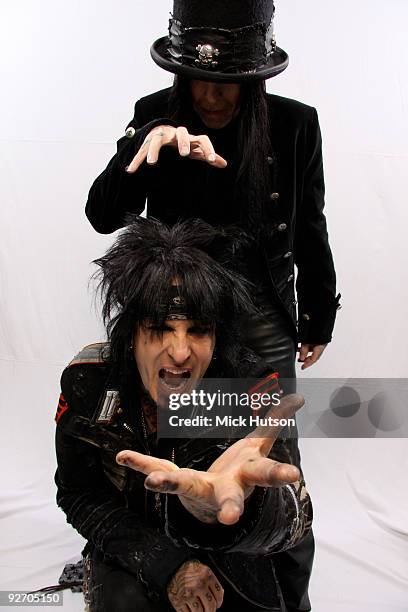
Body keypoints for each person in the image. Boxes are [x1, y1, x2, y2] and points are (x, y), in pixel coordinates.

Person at [85, 1, 340, 608]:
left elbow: (311, 224)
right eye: (198, 78)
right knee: (174, 440)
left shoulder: (296, 124)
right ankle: (170, 564)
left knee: (273, 452)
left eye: (228, 82)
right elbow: (101, 215)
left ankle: (287, 594)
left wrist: (318, 313)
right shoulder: (155, 115)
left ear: (254, 77)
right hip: (181, 314)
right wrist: (142, 147)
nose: (212, 95)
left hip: (260, 311)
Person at [55, 217, 312, 611]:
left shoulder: (251, 385)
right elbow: (78, 494)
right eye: (159, 326)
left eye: (197, 330)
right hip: (133, 550)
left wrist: (231, 511)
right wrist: (164, 564)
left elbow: (297, 520)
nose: (179, 352)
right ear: (131, 334)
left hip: (233, 556)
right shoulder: (87, 383)